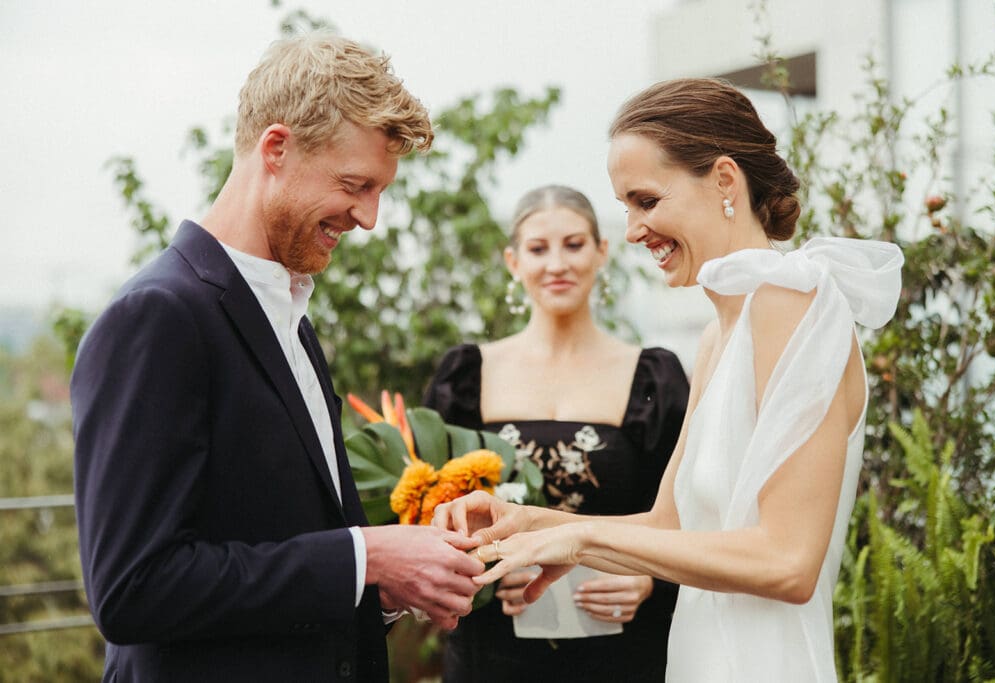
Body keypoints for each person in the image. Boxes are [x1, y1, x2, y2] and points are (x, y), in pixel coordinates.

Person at [433, 78, 904, 682]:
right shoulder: (720, 332)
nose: (631, 230)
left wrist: (575, 545)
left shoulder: (791, 306)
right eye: (626, 207)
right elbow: (670, 526)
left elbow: (788, 561)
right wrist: (526, 522)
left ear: (725, 181)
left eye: (647, 201)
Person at [70, 34, 484, 683]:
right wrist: (365, 557)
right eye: (355, 184)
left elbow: (278, 549)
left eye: (379, 190)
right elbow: (132, 588)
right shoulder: (157, 317)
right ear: (276, 148)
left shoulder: (289, 314)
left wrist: (387, 582)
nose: (370, 218)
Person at [423, 185, 688, 682]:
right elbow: (428, 511)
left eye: (574, 244)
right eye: (538, 249)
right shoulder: (465, 375)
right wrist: (477, 566)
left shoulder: (654, 376)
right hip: (493, 648)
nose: (557, 264)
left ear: (601, 251)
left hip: (621, 648)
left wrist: (649, 579)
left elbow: (692, 514)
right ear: (513, 261)